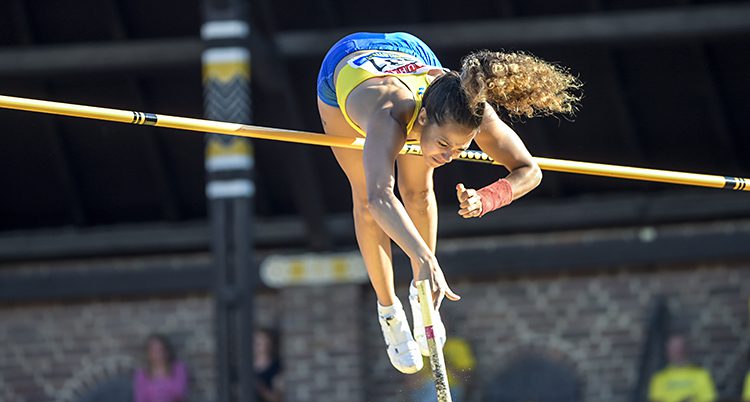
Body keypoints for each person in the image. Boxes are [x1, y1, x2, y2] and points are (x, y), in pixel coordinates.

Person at [316, 32, 580, 373]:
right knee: (367, 201)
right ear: (423, 120)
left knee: (419, 192)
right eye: (443, 144)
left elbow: (530, 170)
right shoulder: (387, 114)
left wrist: (487, 197)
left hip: (410, 53)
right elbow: (380, 197)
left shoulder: (470, 111)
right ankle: (389, 312)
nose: (449, 156)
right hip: (346, 70)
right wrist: (425, 257)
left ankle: (422, 296)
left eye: (460, 148)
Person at [648, 334, 717, 402]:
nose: (676, 351)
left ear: (686, 349)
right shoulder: (659, 378)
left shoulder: (701, 375)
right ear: (667, 351)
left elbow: (709, 399)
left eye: (679, 347)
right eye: (673, 348)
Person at [133, 334, 189, 402]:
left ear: (167, 351)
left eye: (161, 349)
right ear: (148, 354)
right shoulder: (141, 374)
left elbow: (180, 393)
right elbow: (140, 399)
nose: (158, 354)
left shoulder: (178, 368)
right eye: (153, 351)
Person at [254, 329, 283, 402]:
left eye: (265, 343)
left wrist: (261, 388)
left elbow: (277, 398)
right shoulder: (246, 365)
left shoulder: (277, 367)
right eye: (257, 343)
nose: (262, 348)